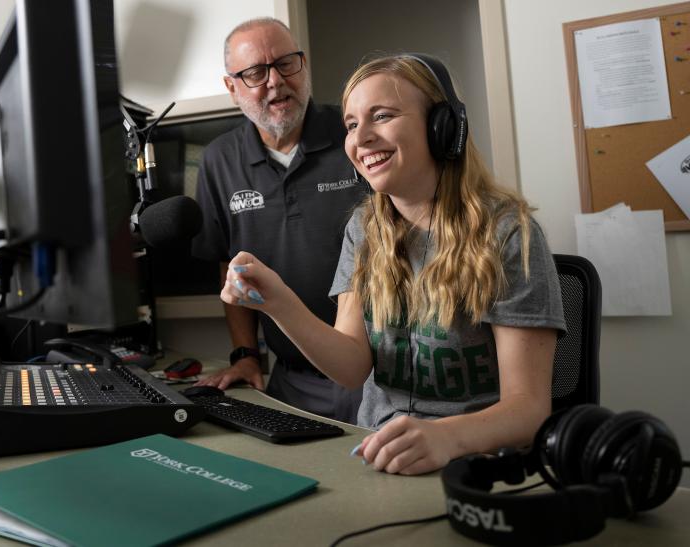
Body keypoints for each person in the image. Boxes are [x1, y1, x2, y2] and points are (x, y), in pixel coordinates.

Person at [221, 54, 566, 475]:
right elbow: (351, 368)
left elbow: (528, 410)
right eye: (350, 124)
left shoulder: (509, 234)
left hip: (476, 464)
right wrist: (276, 300)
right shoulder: (364, 230)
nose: (360, 138)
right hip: (379, 457)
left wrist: (445, 436)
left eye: (380, 116)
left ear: (442, 127)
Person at [191, 17, 367, 423]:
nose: (275, 81)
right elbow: (230, 267)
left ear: (303, 67)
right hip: (291, 378)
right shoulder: (219, 159)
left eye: (287, 63)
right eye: (255, 73)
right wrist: (246, 356)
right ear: (232, 88)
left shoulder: (354, 134)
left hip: (380, 373)